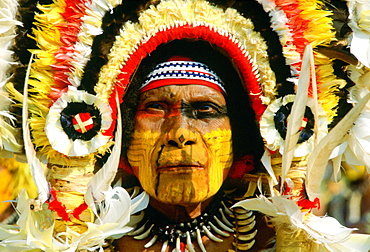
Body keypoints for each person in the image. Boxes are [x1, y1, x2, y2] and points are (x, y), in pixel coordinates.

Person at [114, 40, 274, 252]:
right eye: (156, 108)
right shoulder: (82, 236)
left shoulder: (278, 236)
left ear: (239, 133)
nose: (181, 133)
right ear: (124, 132)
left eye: (206, 109)